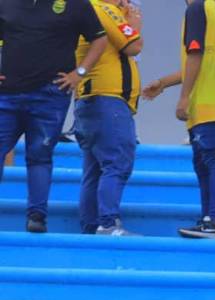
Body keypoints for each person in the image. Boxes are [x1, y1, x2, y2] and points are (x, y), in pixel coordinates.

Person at [0, 0, 106, 233]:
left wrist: (79, 73)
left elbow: (100, 38)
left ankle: (37, 216)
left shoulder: (76, 4)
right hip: (6, 95)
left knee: (40, 155)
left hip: (50, 94)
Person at [142, 0, 215, 240]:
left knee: (211, 158)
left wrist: (183, 97)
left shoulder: (196, 10)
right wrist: (163, 83)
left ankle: (213, 221)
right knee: (204, 162)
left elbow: (195, 53)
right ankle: (208, 220)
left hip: (206, 100)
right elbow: (203, 59)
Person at [74, 0, 142, 236]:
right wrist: (133, 25)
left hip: (88, 101)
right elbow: (133, 46)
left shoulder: (83, 8)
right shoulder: (105, 9)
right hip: (108, 101)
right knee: (117, 163)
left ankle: (91, 225)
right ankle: (108, 222)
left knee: (94, 169)